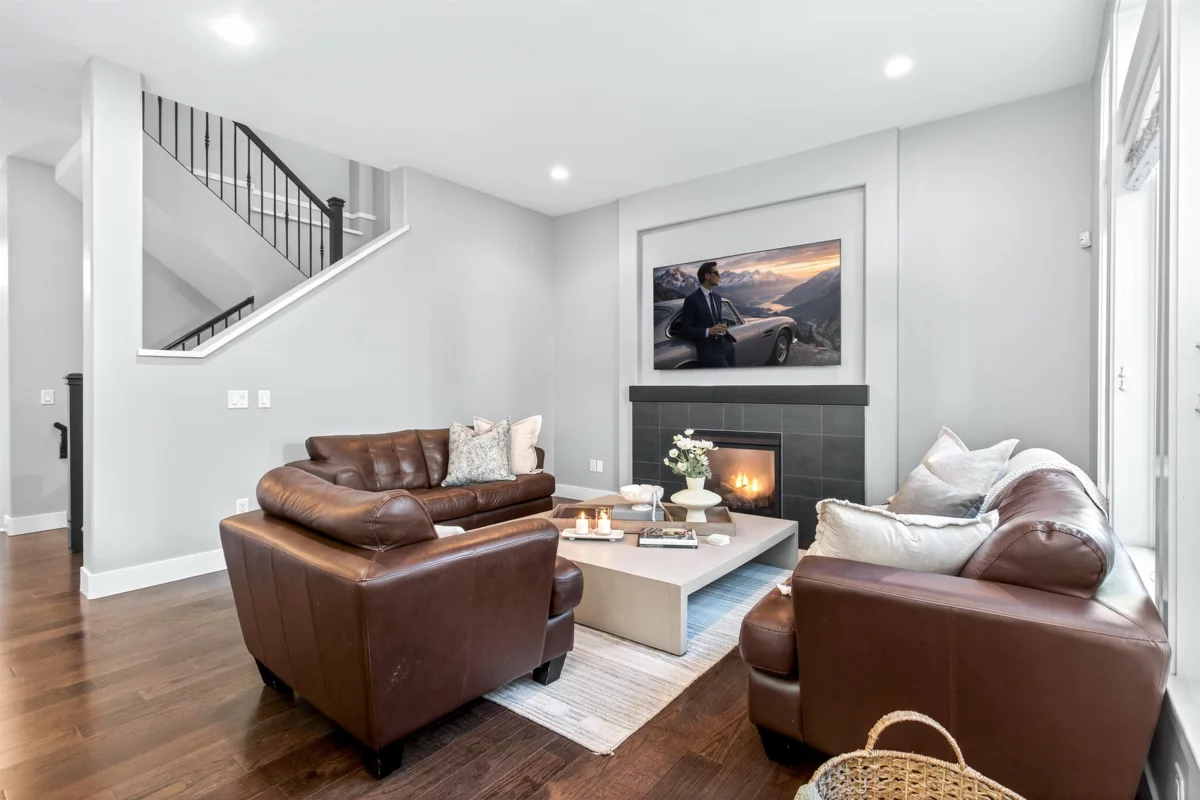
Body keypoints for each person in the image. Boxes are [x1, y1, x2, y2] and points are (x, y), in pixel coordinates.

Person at [678, 261, 736, 368]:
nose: (719, 276)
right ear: (707, 276)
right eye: (716, 273)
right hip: (710, 352)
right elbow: (685, 329)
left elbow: (716, 319)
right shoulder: (691, 300)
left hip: (727, 346)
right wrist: (708, 331)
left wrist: (722, 328)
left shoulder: (717, 297)